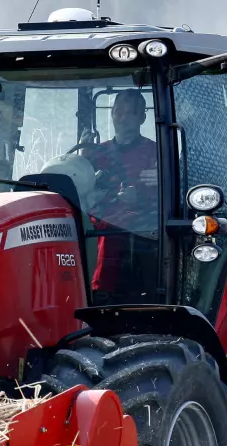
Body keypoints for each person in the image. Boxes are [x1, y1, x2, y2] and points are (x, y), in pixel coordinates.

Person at [83, 88, 161, 300]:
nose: (123, 118)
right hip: (100, 224)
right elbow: (83, 188)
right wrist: (84, 159)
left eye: (131, 112)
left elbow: (172, 195)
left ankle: (106, 292)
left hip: (144, 227)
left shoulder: (159, 152)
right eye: (119, 111)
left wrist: (143, 197)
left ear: (143, 117)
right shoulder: (97, 152)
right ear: (112, 113)